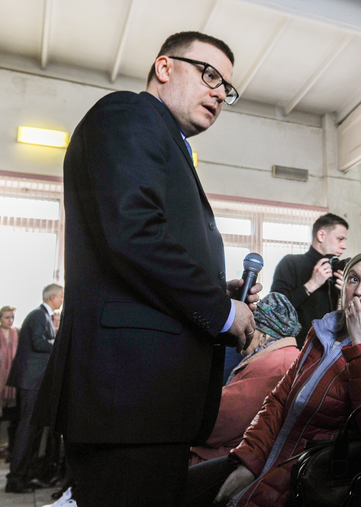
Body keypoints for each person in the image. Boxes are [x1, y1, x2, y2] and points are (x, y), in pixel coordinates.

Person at [32, 31, 260, 507]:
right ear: (164, 68)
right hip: (129, 396)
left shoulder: (164, 139)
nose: (219, 92)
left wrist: (223, 289)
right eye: (210, 74)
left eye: (227, 88)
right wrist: (220, 309)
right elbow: (133, 232)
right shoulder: (128, 114)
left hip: (145, 400)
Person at [185, 251, 361, 507]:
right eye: (353, 279)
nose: (359, 291)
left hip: (314, 475)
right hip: (269, 453)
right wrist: (250, 459)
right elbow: (279, 399)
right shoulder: (322, 331)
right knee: (182, 488)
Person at [190, 292, 301, 465]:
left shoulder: (274, 365)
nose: (243, 332)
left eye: (250, 328)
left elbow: (213, 423)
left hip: (225, 462)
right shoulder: (286, 357)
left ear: (264, 336)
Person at [6, 284, 62, 493]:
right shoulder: (38, 316)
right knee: (27, 429)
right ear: (53, 297)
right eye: (61, 296)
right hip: (31, 381)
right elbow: (39, 343)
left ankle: (26, 475)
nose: (62, 300)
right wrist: (60, 343)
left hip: (36, 381)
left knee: (34, 430)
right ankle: (16, 479)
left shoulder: (44, 317)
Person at [270, 212, 349, 348]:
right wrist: (311, 284)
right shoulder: (291, 263)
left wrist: (347, 296)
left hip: (329, 352)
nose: (344, 246)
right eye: (340, 239)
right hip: (295, 352)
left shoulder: (338, 271)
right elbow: (275, 309)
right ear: (321, 235)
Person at [0, 306, 19, 462]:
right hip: (0, 379)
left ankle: (12, 450)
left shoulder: (16, 333)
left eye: (12, 317)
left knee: (14, 417)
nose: (10, 320)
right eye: (6, 317)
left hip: (13, 381)